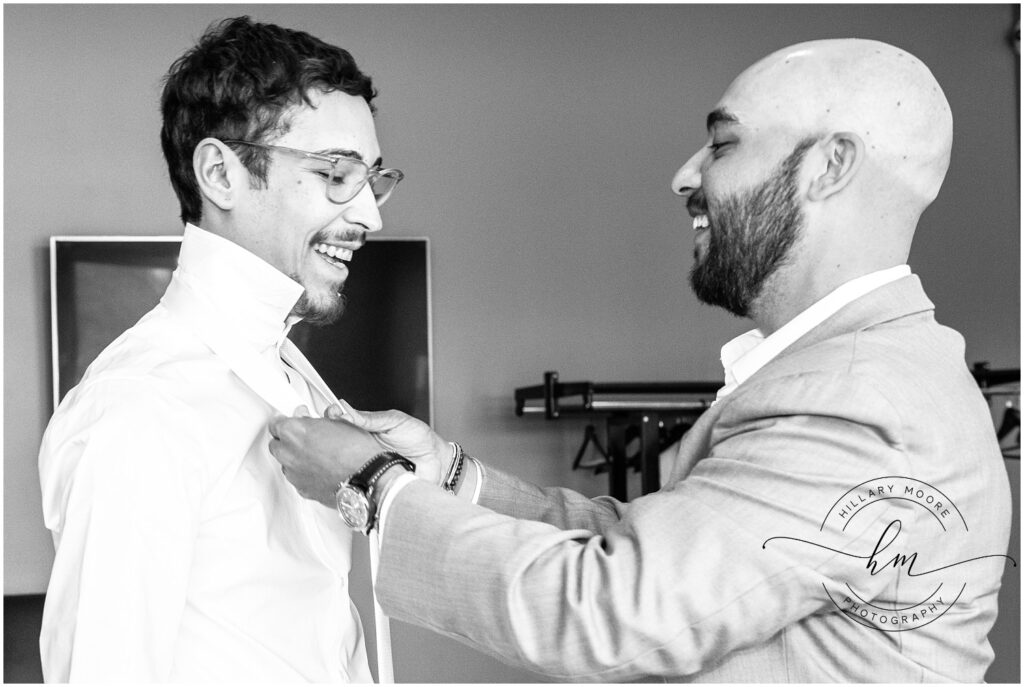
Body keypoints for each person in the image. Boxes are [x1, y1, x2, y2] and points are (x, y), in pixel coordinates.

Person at [268, 38, 1013, 681]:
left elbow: (614, 610)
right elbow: (662, 547)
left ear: (829, 166)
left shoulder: (856, 399)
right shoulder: (864, 371)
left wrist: (373, 485)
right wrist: (452, 477)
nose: (684, 174)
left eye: (723, 143)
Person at [37, 16, 403, 682]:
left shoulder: (294, 370)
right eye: (337, 174)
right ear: (221, 173)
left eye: (374, 179)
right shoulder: (140, 408)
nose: (372, 215)